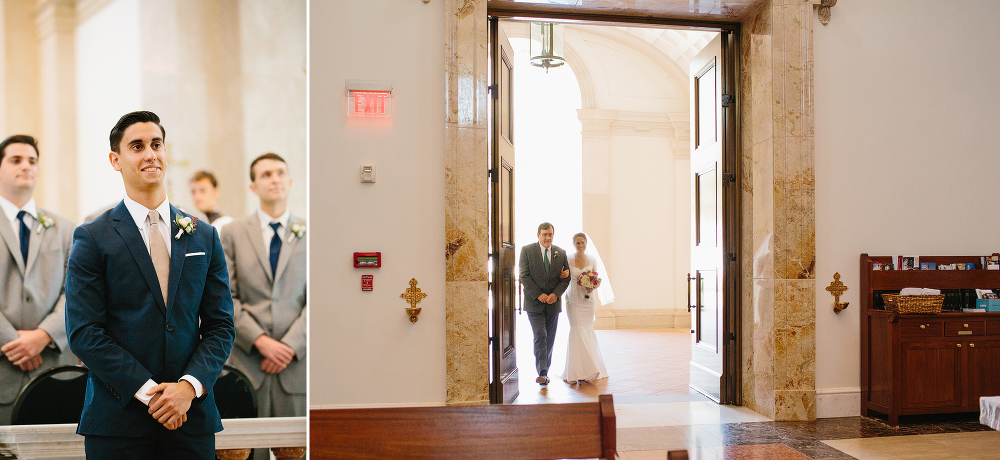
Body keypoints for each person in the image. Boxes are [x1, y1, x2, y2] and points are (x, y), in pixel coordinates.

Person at [65, 111, 235, 459]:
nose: (150, 154)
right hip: (119, 420)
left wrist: (187, 389)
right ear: (116, 160)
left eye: (156, 144)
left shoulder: (203, 234)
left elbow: (220, 326)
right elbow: (84, 333)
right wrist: (152, 394)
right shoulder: (92, 237)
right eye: (137, 146)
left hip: (192, 418)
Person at [221, 152, 305, 459]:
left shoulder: (310, 231)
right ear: (253, 186)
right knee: (245, 453)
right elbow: (225, 297)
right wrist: (260, 342)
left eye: (280, 173)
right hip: (247, 363)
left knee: (294, 451)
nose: (275, 179)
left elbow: (317, 301)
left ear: (290, 181)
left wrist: (289, 346)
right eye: (266, 174)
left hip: (294, 366)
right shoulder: (231, 233)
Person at [0, 135, 77, 424]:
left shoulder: (66, 229)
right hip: (3, 368)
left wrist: (43, 336)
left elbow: (77, 292)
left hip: (55, 370)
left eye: (32, 161)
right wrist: (14, 343)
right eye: (16, 160)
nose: (26, 166)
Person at [519, 222, 570, 385]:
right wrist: (539, 294)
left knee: (550, 337)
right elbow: (524, 276)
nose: (547, 237)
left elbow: (566, 277)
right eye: (544, 234)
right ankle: (542, 371)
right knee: (540, 335)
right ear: (538, 235)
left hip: (553, 304)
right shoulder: (527, 251)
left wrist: (555, 294)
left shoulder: (560, 253)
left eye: (550, 234)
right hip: (534, 303)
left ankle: (545, 370)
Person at [561, 232, 614, 384]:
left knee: (587, 328)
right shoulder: (568, 259)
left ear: (586, 243)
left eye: (583, 242)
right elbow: (563, 277)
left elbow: (596, 278)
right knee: (576, 328)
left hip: (588, 300)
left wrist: (593, 286)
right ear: (573, 244)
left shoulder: (592, 259)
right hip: (573, 300)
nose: (581, 245)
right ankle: (577, 369)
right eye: (578, 243)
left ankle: (590, 367)